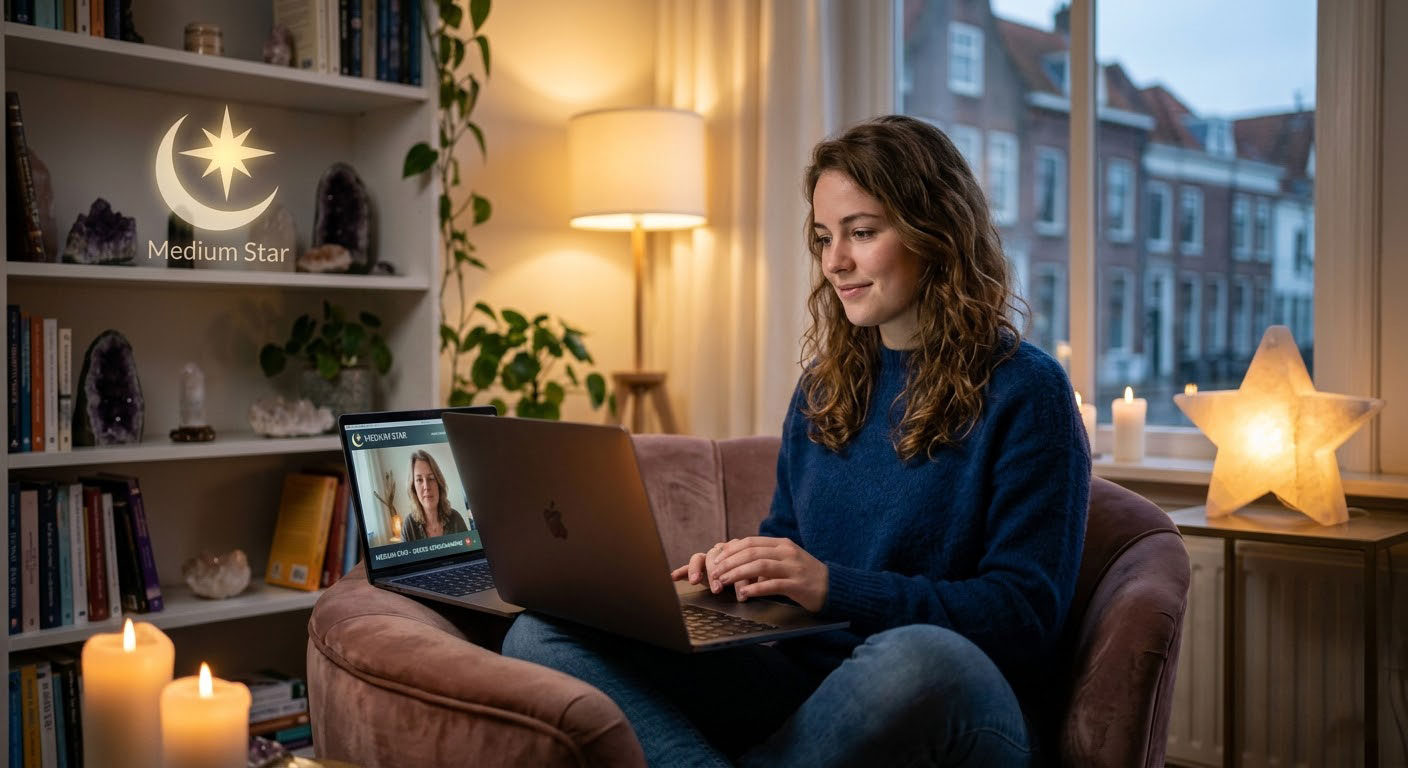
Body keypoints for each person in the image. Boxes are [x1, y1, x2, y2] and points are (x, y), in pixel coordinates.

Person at [501, 115, 1089, 767]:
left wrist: (830, 586)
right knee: (543, 634)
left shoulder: (1026, 390)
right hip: (809, 699)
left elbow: (1024, 617)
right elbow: (789, 548)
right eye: (823, 237)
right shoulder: (824, 388)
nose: (835, 262)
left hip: (953, 700)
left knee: (922, 654)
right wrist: (734, 578)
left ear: (937, 231)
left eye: (862, 233)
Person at [402, 449, 471, 541]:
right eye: (419, 480)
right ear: (413, 487)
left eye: (431, 478)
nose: (426, 486)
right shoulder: (408, 526)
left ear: (439, 483)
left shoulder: (455, 519)